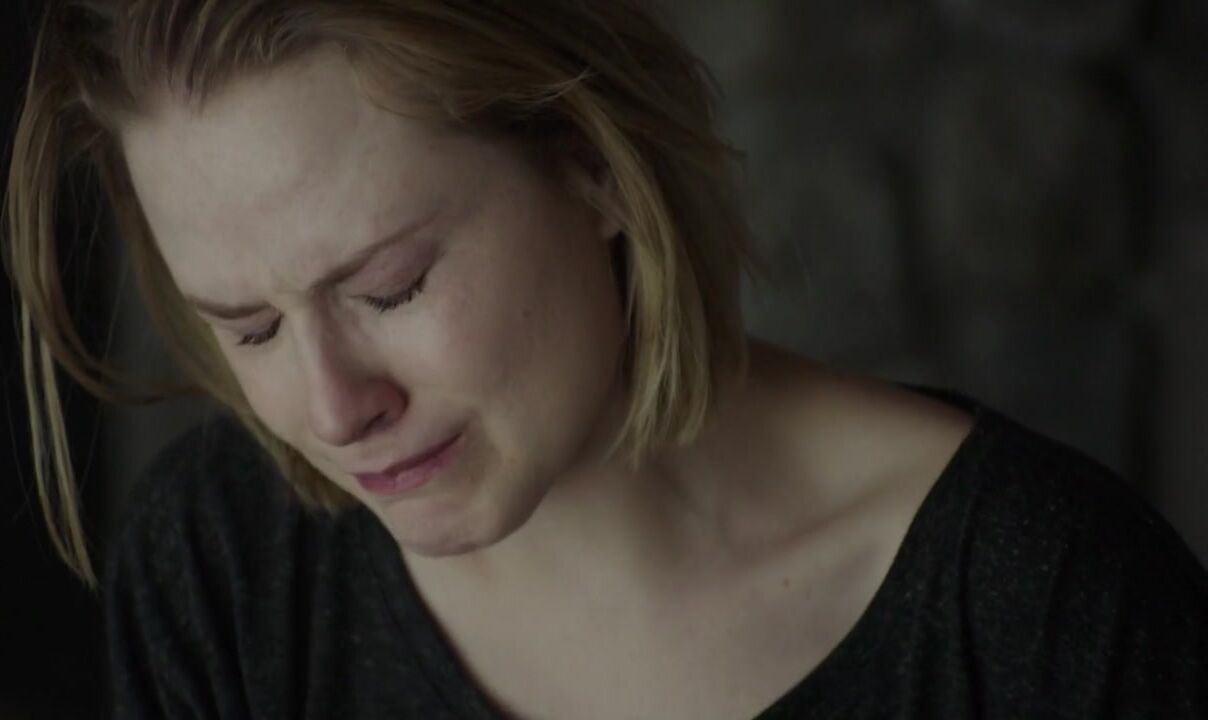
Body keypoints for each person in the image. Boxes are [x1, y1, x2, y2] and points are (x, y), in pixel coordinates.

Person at [5, 1, 1207, 718]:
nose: (332, 409)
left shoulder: (1041, 606)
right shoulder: (223, 568)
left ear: (592, 165)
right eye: (249, 329)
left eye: (390, 286)